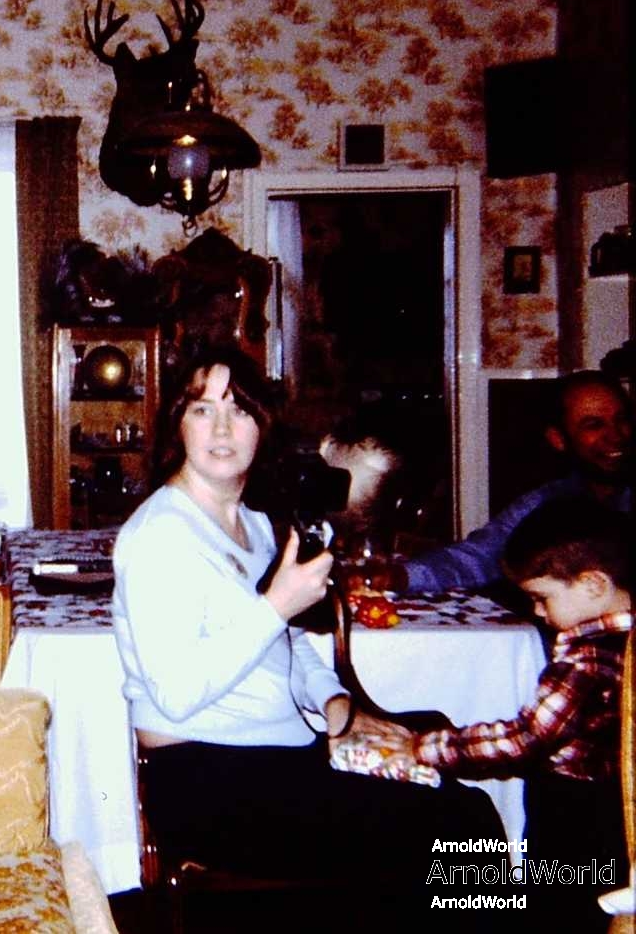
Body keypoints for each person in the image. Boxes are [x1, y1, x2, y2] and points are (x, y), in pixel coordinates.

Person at [110, 344, 506, 922]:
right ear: (177, 424)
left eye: (239, 410)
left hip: (276, 755)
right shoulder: (160, 536)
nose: (221, 428)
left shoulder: (251, 524)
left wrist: (337, 705)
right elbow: (176, 692)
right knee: (460, 828)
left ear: (262, 426)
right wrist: (276, 606)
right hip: (208, 782)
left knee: (449, 776)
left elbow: (286, 644)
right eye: (202, 409)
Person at [411, 497, 631, 932]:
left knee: (553, 906)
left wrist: (428, 747)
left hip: (576, 812)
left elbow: (525, 738)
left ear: (592, 585)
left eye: (541, 598)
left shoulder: (588, 660)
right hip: (609, 808)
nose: (536, 611)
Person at [389, 369, 631, 595]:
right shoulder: (551, 499)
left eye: (623, 419)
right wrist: (398, 576)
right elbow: (481, 556)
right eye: (594, 425)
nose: (617, 435)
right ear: (558, 439)